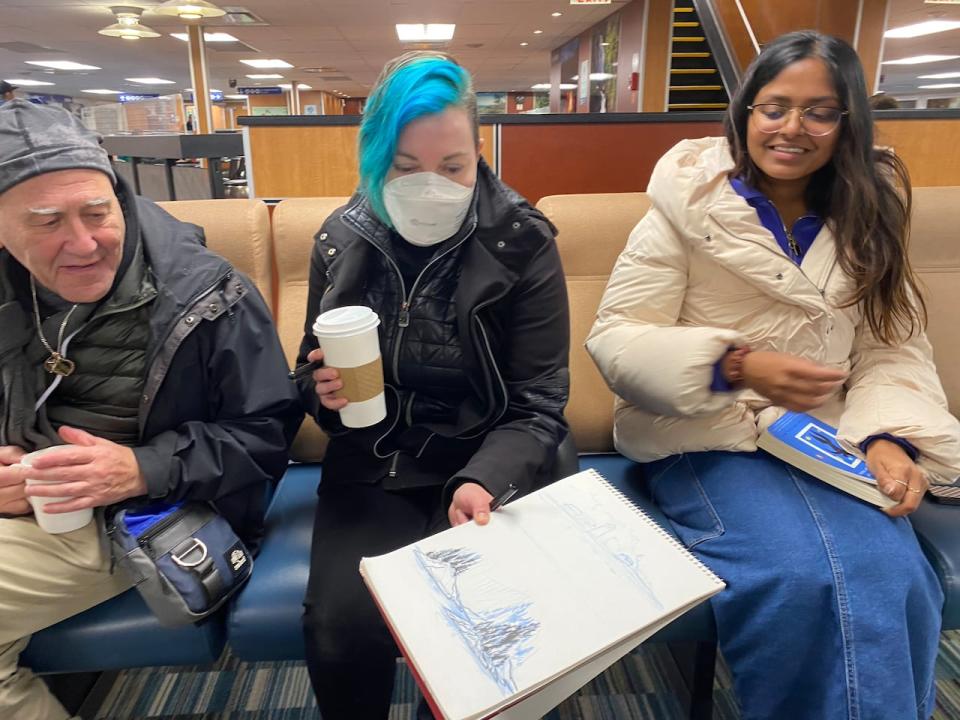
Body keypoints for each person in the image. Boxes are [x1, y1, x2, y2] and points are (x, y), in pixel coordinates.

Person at [586, 31, 960, 720]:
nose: (792, 128)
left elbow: (892, 346)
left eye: (820, 111)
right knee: (800, 576)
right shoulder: (685, 210)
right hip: (707, 437)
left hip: (827, 440)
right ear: (745, 113)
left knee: (896, 575)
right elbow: (617, 341)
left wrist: (888, 437)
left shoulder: (870, 212)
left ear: (848, 124)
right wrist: (734, 365)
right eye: (774, 107)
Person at [0, 99, 300, 719]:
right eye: (47, 221)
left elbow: (267, 433)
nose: (83, 243)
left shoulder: (209, 296)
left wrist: (140, 470)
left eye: (96, 213)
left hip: (142, 518)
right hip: (29, 509)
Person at [295, 51, 570, 719]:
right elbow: (309, 366)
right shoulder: (340, 239)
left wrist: (484, 479)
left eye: (452, 167)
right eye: (406, 168)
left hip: (490, 467)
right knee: (340, 627)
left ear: (479, 151)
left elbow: (539, 403)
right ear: (375, 162)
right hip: (376, 462)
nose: (431, 186)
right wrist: (320, 391)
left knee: (484, 641)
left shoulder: (521, 242)